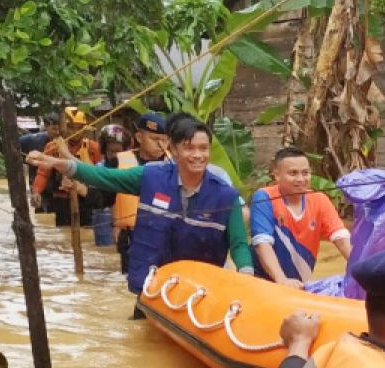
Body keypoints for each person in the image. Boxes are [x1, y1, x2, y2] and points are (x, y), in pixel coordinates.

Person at [26, 114, 253, 295]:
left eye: (203, 149)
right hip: (152, 285)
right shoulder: (149, 176)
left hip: (202, 291)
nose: (197, 155)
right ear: (173, 150)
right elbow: (100, 176)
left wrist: (247, 276)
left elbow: (240, 244)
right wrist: (57, 162)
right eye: (189, 148)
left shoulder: (226, 195)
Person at [250, 147, 352, 288]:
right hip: (262, 282)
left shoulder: (320, 200)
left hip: (298, 284)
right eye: (293, 173)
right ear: (276, 175)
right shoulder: (264, 197)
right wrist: (281, 279)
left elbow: (341, 238)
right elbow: (262, 243)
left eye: (305, 173)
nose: (300, 179)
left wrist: (363, 270)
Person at [110, 112, 170, 274]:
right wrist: (116, 225)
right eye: (155, 139)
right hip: (130, 235)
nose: (161, 145)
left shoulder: (175, 165)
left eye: (165, 140)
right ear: (139, 137)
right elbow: (109, 196)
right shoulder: (120, 161)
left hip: (164, 236)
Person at [30, 107, 101, 225]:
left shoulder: (93, 148)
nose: (75, 132)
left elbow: (101, 174)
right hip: (61, 201)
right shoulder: (52, 147)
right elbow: (43, 173)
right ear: (64, 127)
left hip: (86, 199)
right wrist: (36, 191)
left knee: (88, 233)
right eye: (71, 127)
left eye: (79, 128)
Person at [19, 113, 60, 211]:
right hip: (38, 187)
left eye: (59, 129)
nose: (57, 132)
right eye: (54, 129)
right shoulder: (32, 140)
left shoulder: (63, 142)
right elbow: (12, 147)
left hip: (56, 188)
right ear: (46, 126)